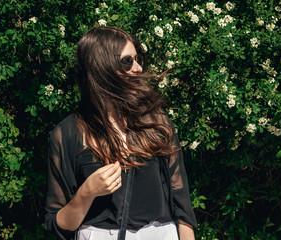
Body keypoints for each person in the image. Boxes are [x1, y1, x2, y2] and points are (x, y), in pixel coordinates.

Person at [45, 26, 197, 240]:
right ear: (101, 66)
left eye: (137, 59)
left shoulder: (155, 121)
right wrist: (86, 193)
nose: (137, 68)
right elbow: (57, 223)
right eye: (127, 61)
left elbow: (182, 205)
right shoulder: (68, 133)